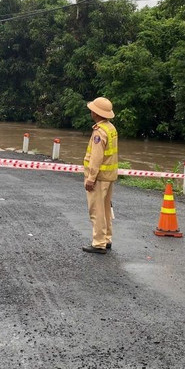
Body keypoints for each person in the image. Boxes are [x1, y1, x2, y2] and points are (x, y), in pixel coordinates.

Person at [81, 96, 119, 254]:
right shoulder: (111, 128)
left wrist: (91, 178)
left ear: (96, 113)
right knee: (105, 209)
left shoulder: (99, 132)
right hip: (109, 176)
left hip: (99, 178)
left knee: (97, 210)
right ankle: (107, 239)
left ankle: (98, 243)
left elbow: (96, 158)